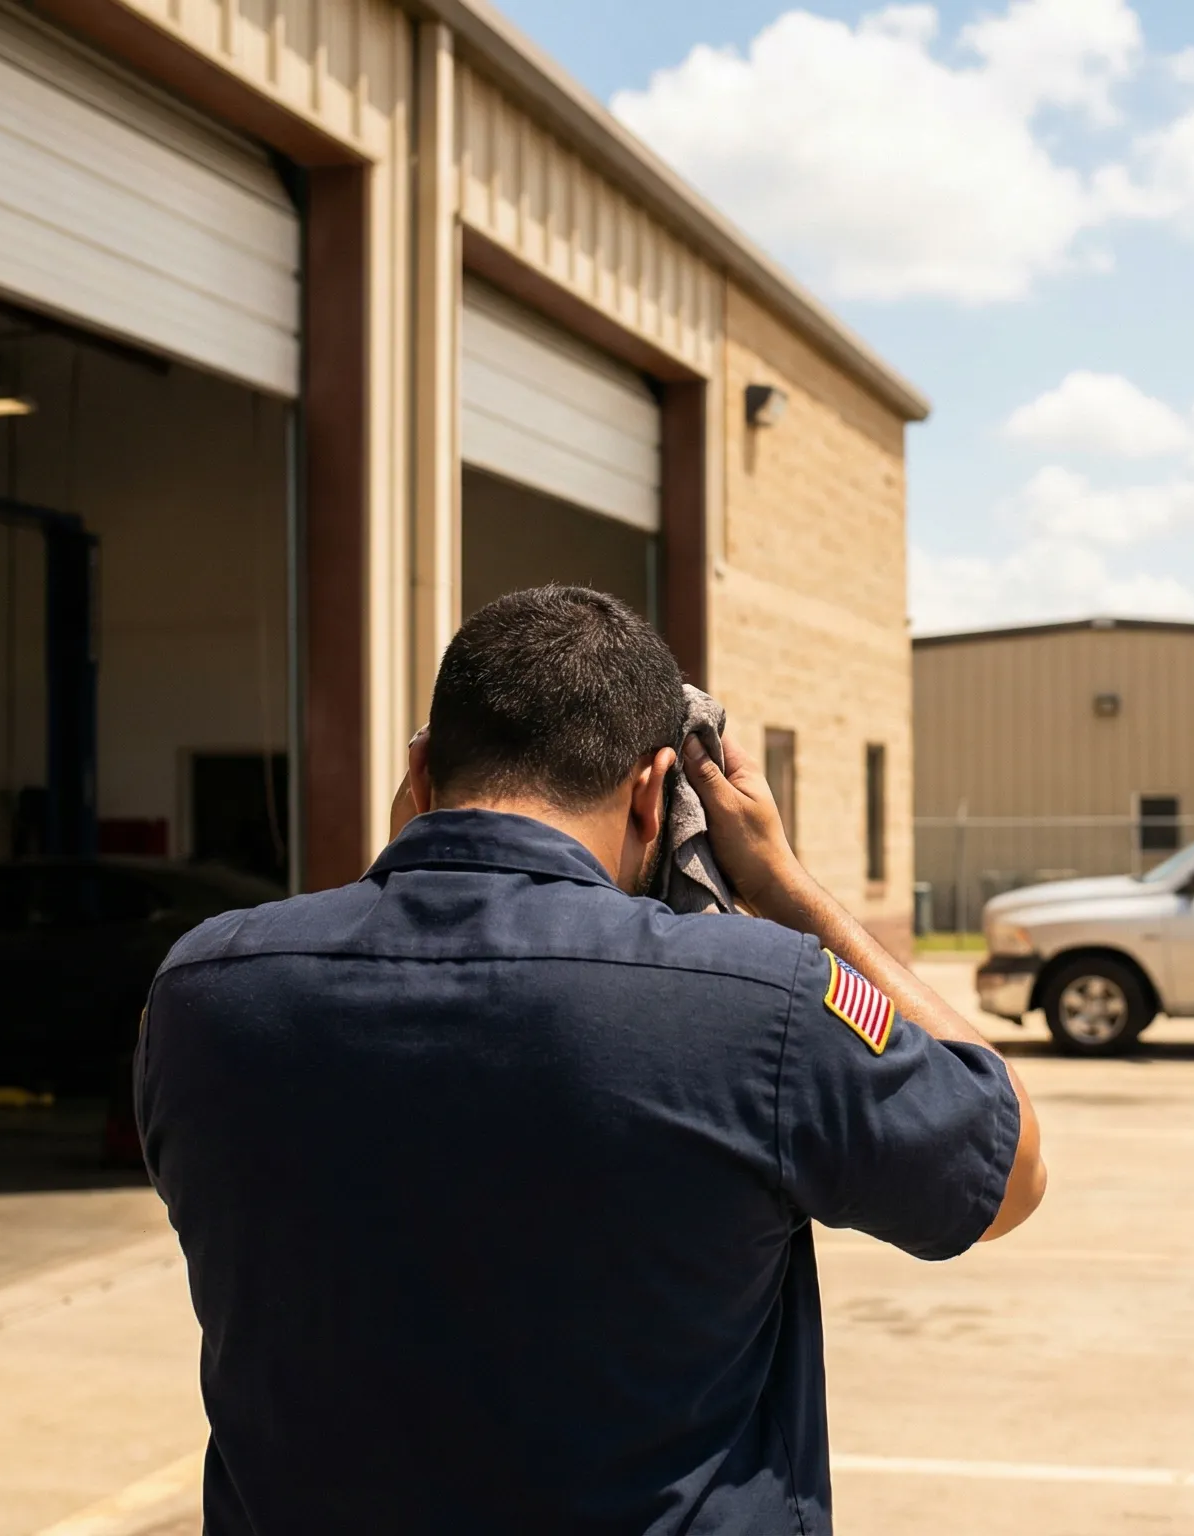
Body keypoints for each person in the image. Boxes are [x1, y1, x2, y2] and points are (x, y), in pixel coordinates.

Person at [136, 585, 1046, 1535]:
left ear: (418, 772)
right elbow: (1010, 1173)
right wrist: (788, 888)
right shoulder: (761, 996)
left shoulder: (205, 990)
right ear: (657, 791)